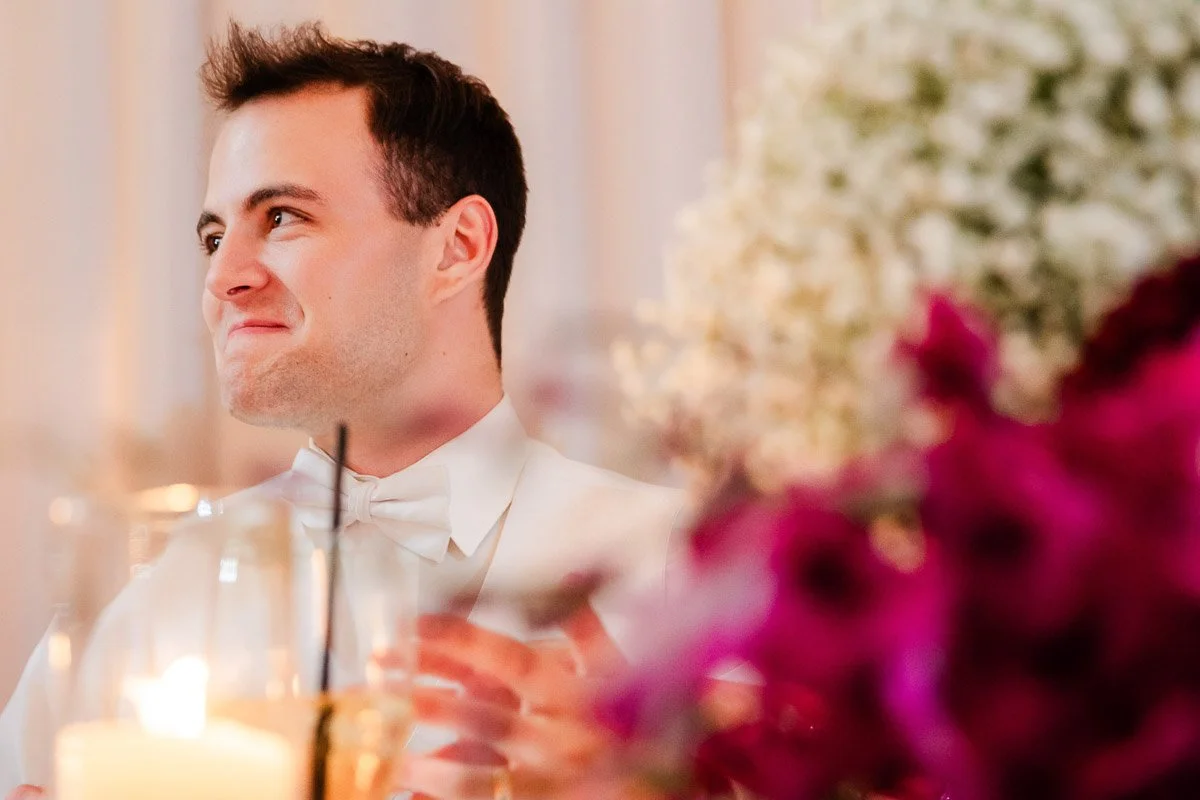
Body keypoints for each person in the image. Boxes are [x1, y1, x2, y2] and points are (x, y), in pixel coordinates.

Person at [0, 22, 682, 799]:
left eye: (282, 216)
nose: (223, 278)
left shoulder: (679, 570)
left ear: (458, 246)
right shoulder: (150, 593)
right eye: (213, 237)